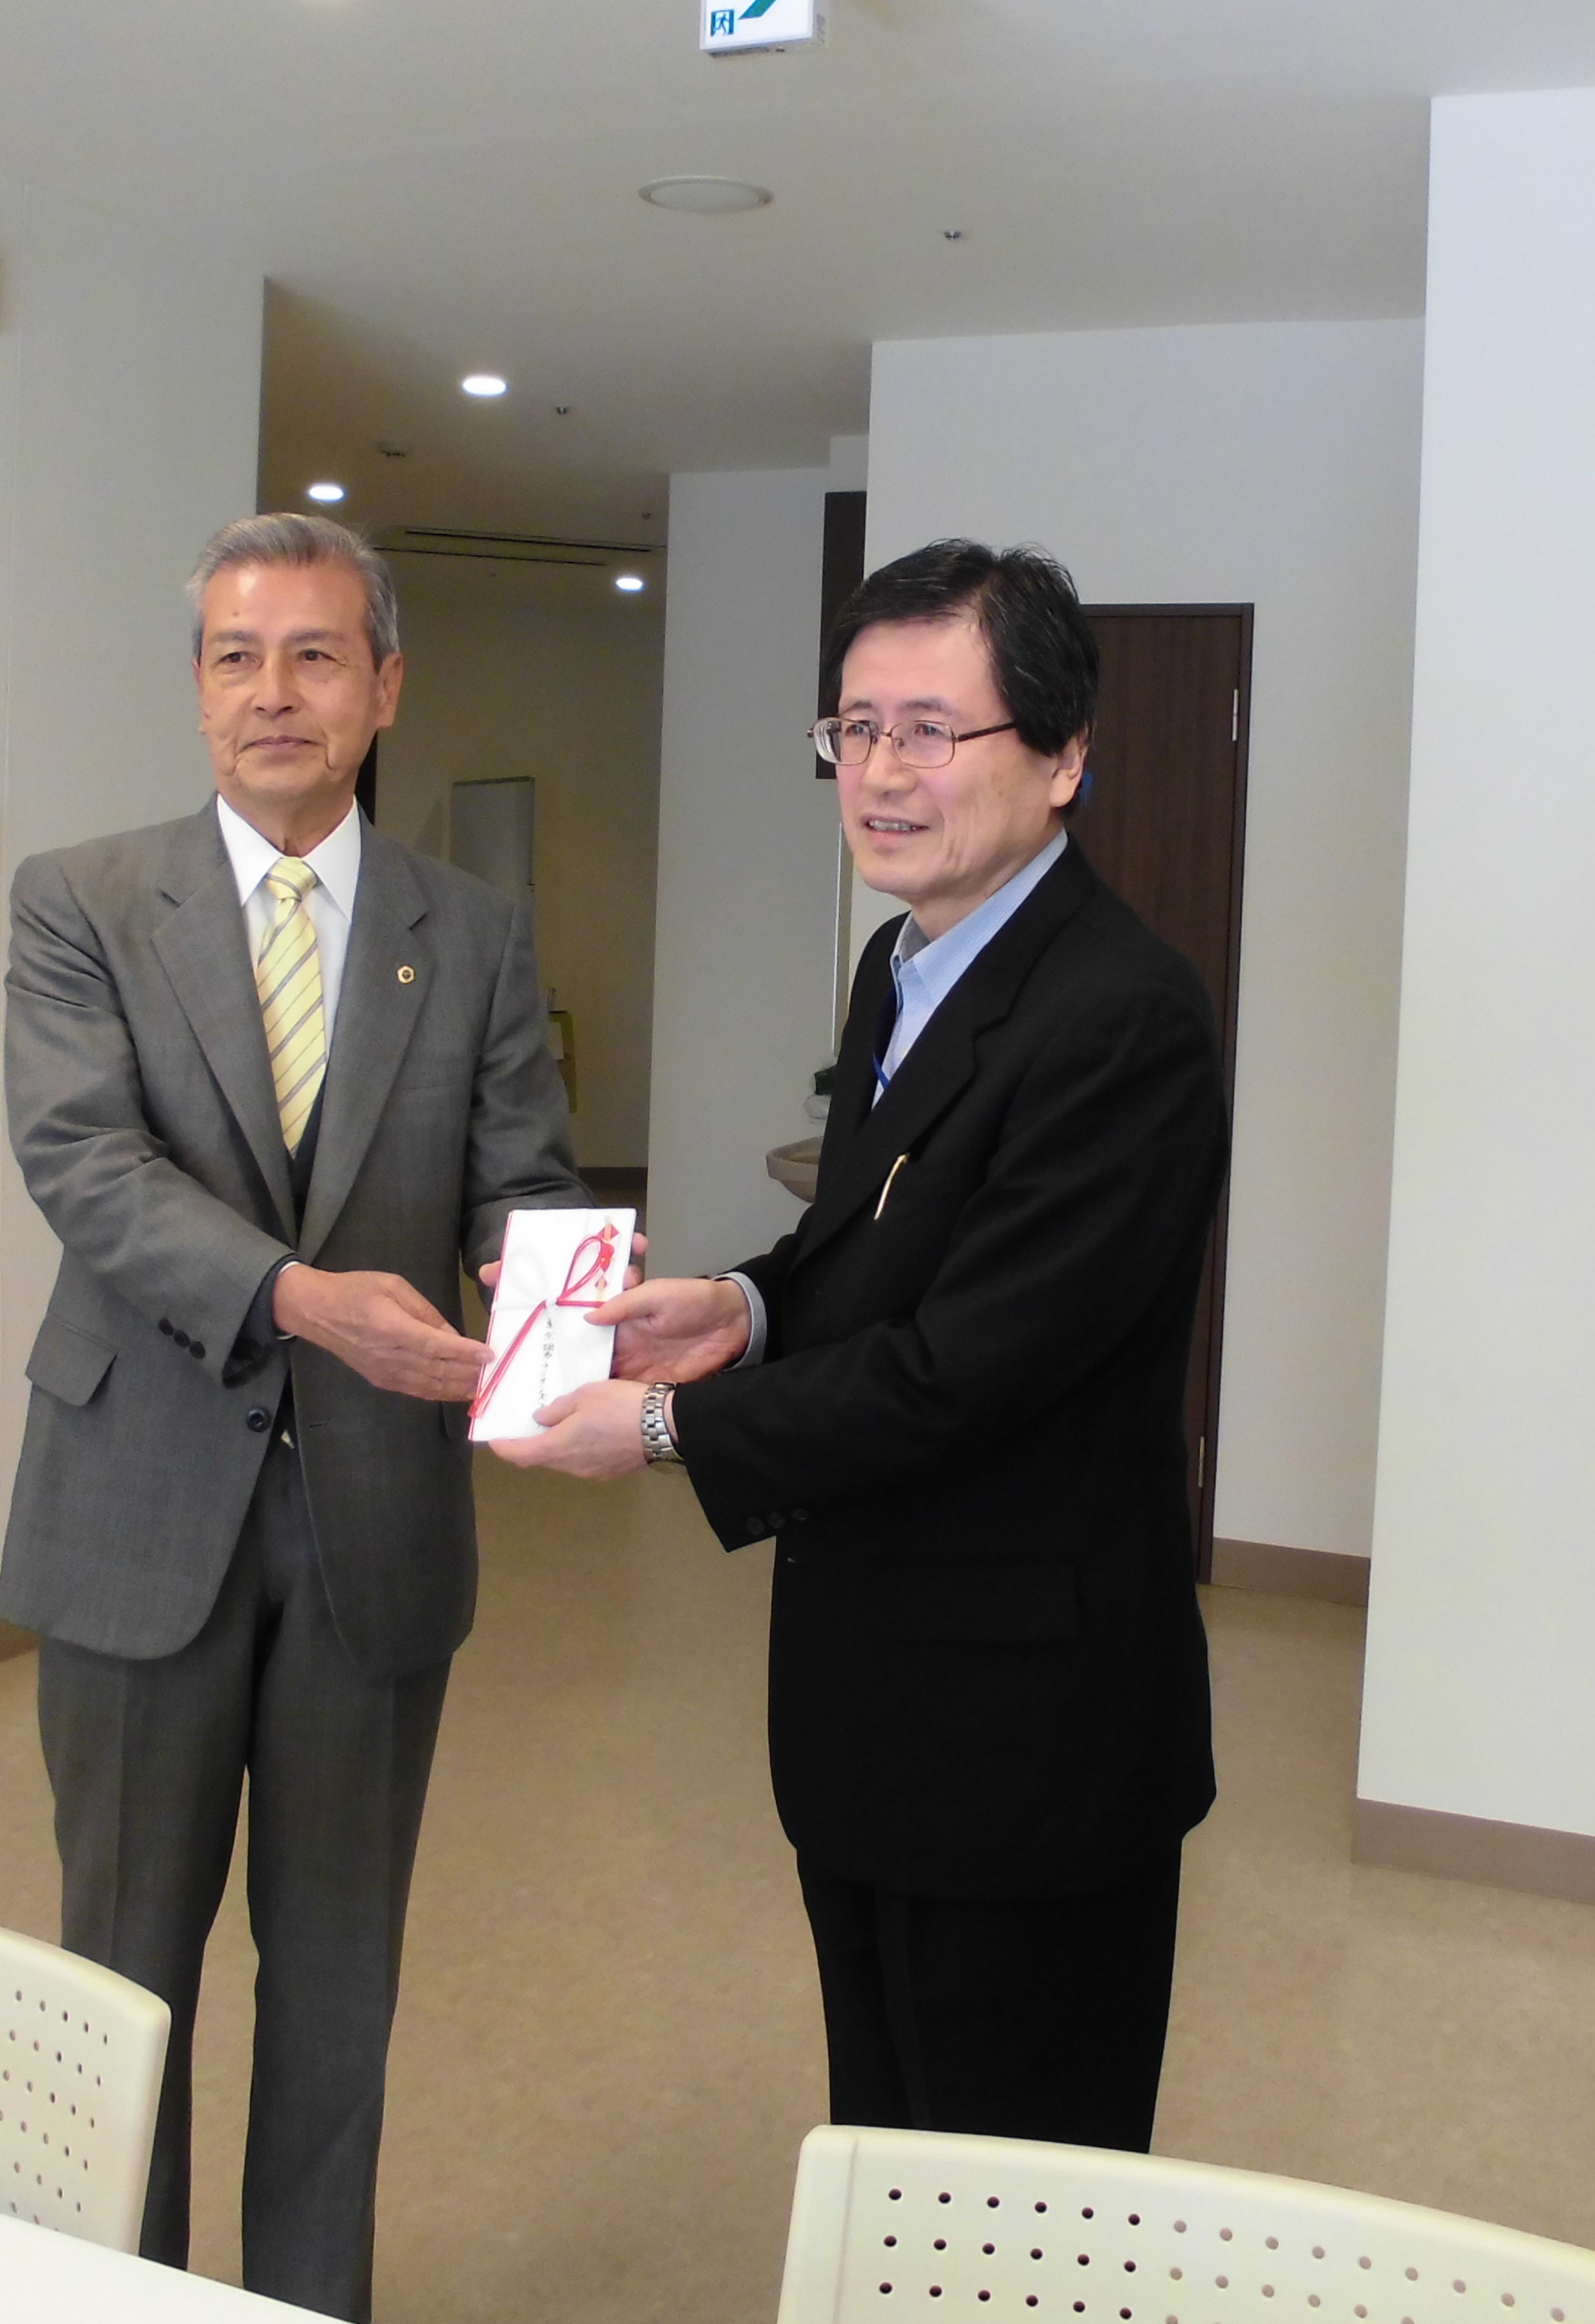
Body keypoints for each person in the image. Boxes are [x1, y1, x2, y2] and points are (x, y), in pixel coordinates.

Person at [493, 538, 1228, 2149]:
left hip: (1030, 1740)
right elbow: (882, 1249)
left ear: (1064, 754)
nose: (883, 775)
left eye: (932, 730)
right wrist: (745, 1306)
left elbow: (965, 1367)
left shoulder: (1122, 1015)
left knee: (1016, 2200)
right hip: (875, 1705)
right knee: (891, 2153)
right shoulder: (903, 966)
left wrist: (664, 1431)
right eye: (857, 729)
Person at [1, 511, 582, 2314]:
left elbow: (523, 1185)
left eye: (316, 655)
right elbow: (84, 1164)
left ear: (383, 687)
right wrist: (302, 1299)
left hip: (373, 1527)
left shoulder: (469, 932)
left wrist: (570, 1351)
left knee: (338, 1985)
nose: (275, 692)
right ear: (197, 689)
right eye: (237, 656)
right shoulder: (84, 901)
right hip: (133, 1500)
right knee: (121, 1979)